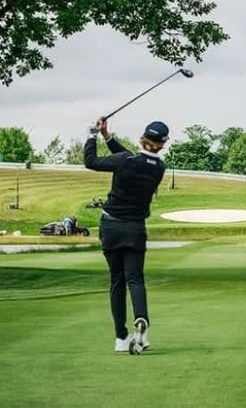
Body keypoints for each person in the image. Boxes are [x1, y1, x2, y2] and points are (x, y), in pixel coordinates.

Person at [84, 117, 169, 353]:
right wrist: (107, 136)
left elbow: (91, 161)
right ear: (162, 144)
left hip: (111, 227)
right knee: (135, 279)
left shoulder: (125, 161)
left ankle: (121, 338)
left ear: (143, 138)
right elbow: (132, 159)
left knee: (117, 281)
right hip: (135, 229)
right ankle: (141, 319)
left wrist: (92, 135)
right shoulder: (159, 168)